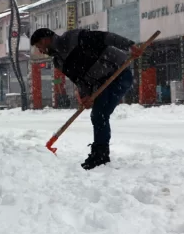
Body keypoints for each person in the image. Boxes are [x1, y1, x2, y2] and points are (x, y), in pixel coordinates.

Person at [30, 28, 145, 170]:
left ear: (45, 40)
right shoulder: (58, 61)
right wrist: (85, 96)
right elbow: (79, 80)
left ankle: (100, 154)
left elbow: (106, 37)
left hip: (118, 72)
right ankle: (100, 152)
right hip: (102, 82)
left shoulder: (74, 37)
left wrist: (129, 45)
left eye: (39, 46)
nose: (40, 51)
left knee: (100, 114)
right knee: (98, 115)